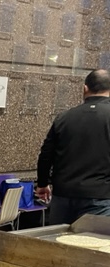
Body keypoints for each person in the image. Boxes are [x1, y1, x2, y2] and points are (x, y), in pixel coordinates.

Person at [36, 69, 110, 225]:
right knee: (93, 245)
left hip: (63, 195)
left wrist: (42, 184)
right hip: (100, 196)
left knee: (58, 243)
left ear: (85, 88)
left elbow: (46, 154)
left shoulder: (64, 117)